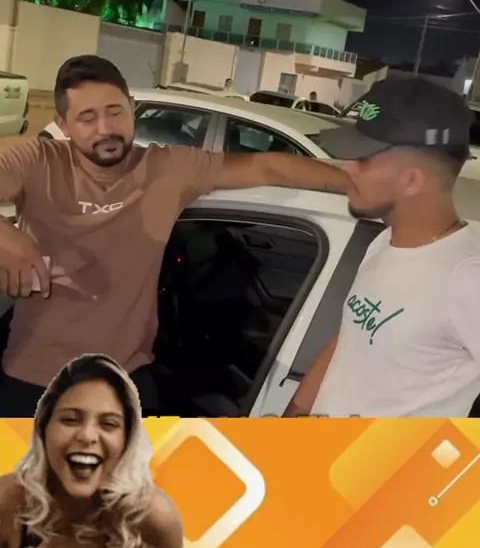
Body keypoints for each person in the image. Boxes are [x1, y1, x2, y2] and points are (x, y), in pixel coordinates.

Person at [0, 55, 351, 416]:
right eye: (87, 118)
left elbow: (266, 166)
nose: (105, 128)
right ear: (63, 124)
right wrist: (8, 238)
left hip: (123, 377)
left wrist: (354, 182)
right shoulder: (38, 160)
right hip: (35, 377)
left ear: (131, 108)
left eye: (115, 111)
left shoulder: (165, 169)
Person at [284, 76, 480, 418]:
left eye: (363, 159)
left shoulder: (468, 277)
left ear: (411, 180)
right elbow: (347, 340)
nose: (347, 167)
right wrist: (293, 418)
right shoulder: (385, 241)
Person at [0, 352, 183, 548]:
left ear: (127, 438)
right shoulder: (9, 499)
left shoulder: (153, 515)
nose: (87, 436)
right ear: (43, 428)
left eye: (108, 424)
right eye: (70, 419)